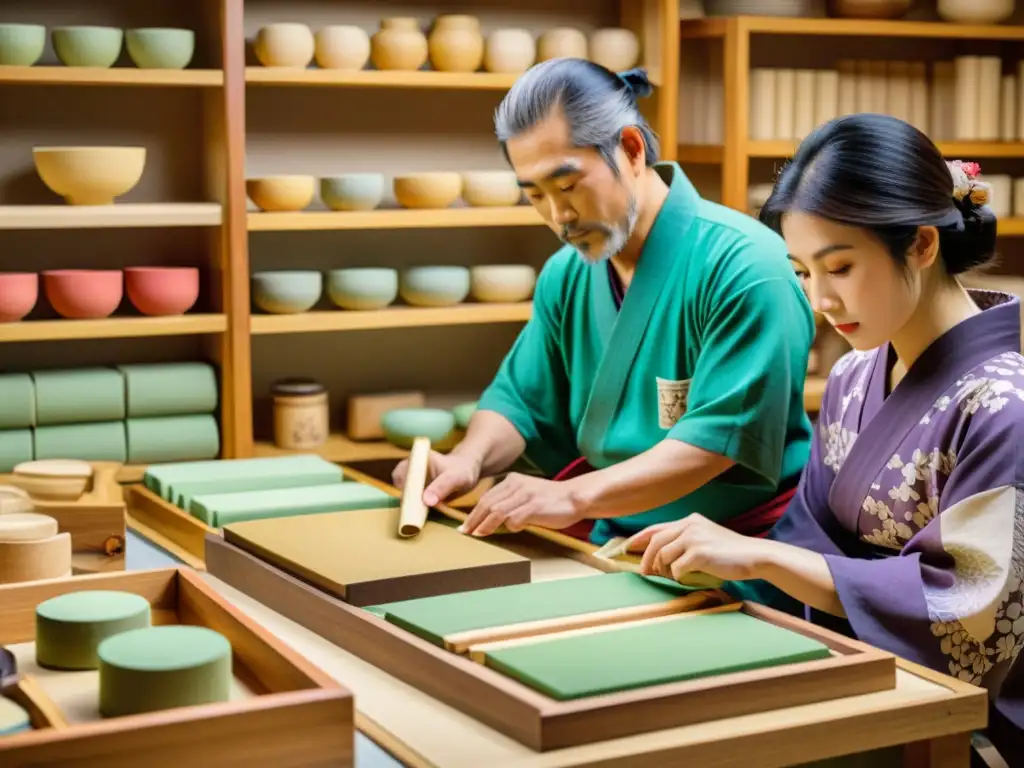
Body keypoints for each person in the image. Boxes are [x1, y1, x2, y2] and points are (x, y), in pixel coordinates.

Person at [625, 113, 1023, 765]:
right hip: (854, 673)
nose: (820, 299)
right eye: (803, 272)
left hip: (959, 720)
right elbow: (809, 534)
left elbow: (969, 614)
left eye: (838, 266)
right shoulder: (853, 372)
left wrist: (760, 559)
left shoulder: (1006, 404)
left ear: (921, 245)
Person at [393, 58, 817, 546]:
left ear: (631, 149)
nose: (559, 216)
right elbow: (521, 401)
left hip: (734, 552)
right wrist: (466, 461)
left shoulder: (745, 266)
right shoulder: (567, 273)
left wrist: (572, 497)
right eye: (535, 196)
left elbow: (716, 442)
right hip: (609, 537)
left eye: (569, 186)